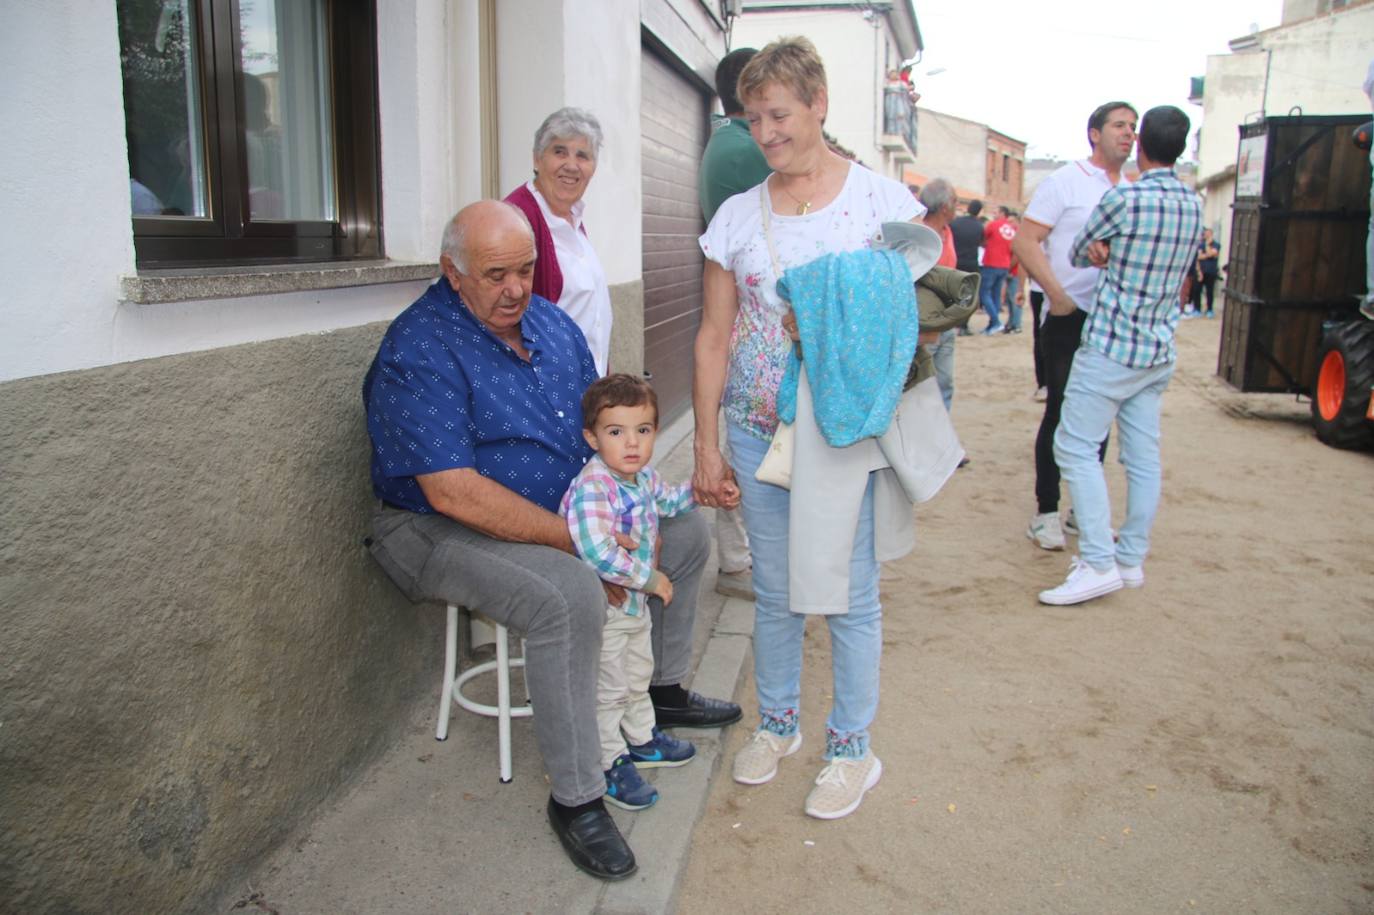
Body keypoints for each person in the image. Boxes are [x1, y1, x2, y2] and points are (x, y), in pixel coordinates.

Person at [362, 201, 740, 881]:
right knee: (568, 595)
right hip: (431, 526)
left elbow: (599, 430)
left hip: (557, 510)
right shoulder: (419, 348)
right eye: (496, 274)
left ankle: (658, 692)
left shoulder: (551, 324)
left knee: (679, 533)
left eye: (527, 270)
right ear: (453, 273)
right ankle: (577, 794)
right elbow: (453, 491)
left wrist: (630, 507)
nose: (516, 289)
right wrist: (582, 544)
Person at [691, 36, 927, 820]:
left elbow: (921, 317)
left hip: (844, 433)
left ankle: (854, 747)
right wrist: (706, 442)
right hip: (759, 432)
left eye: (780, 114)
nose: (766, 132)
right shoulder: (734, 216)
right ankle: (780, 723)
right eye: (754, 118)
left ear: (819, 103)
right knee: (776, 589)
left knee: (851, 592)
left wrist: (835, 314)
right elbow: (713, 334)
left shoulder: (881, 204)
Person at [1039, 106, 1203, 605]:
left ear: (1144, 144)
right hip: (1157, 346)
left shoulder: (1124, 197)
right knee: (1143, 457)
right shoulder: (1193, 204)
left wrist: (1102, 249)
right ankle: (1129, 558)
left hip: (1112, 345)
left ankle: (1097, 560)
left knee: (1072, 446)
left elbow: (1077, 251)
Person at [561, 374, 704, 811]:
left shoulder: (641, 478)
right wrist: (650, 580)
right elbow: (597, 550)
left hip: (634, 608)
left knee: (638, 674)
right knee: (609, 688)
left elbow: (670, 501)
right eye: (615, 432)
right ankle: (609, 760)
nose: (631, 444)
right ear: (591, 437)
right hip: (606, 606)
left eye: (642, 431)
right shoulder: (594, 486)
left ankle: (642, 738)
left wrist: (702, 491)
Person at [1012, 101, 1137, 551]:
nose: (1128, 134)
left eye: (1133, 127)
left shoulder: (1132, 188)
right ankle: (1046, 512)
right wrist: (1058, 297)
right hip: (1069, 316)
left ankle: (1082, 513)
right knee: (1060, 411)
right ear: (1094, 134)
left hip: (1112, 320)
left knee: (1097, 417)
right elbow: (1026, 242)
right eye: (1119, 125)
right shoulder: (1066, 181)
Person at [700, 47, 773, 601]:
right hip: (747, 319)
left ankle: (738, 560)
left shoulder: (727, 142)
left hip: (741, 315)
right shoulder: (746, 150)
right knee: (747, 459)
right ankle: (738, 564)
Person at [505, 107, 613, 375]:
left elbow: (590, 313)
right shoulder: (517, 219)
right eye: (559, 152)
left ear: (593, 168)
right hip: (547, 389)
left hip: (585, 387)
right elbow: (505, 320)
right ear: (537, 159)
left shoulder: (572, 219)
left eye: (583, 155)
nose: (572, 165)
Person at [921, 178, 960, 410]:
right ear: (945, 206)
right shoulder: (919, 235)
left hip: (947, 319)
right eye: (955, 201)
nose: (957, 206)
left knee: (945, 380)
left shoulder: (948, 232)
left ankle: (942, 431)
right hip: (926, 322)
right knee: (924, 381)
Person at [978, 205, 1017, 334]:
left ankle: (995, 322)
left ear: (1002, 213)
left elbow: (982, 239)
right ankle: (993, 324)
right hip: (1005, 265)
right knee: (996, 294)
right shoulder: (1012, 228)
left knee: (984, 293)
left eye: (996, 212)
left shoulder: (993, 225)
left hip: (991, 262)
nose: (994, 214)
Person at [950, 199, 985, 337]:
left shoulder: (955, 223)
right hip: (971, 263)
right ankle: (963, 325)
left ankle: (951, 322)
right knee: (969, 296)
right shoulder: (979, 226)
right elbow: (982, 242)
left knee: (952, 294)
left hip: (956, 261)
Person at [1190, 227, 1220, 318]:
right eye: (1205, 233)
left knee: (1209, 291)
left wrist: (1207, 247)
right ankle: (1197, 309)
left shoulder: (1216, 244)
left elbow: (1212, 254)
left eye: (1208, 233)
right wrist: (1199, 271)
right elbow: (1198, 258)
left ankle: (1209, 309)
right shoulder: (1200, 245)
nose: (1206, 235)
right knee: (1196, 290)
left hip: (1211, 271)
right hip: (1200, 271)